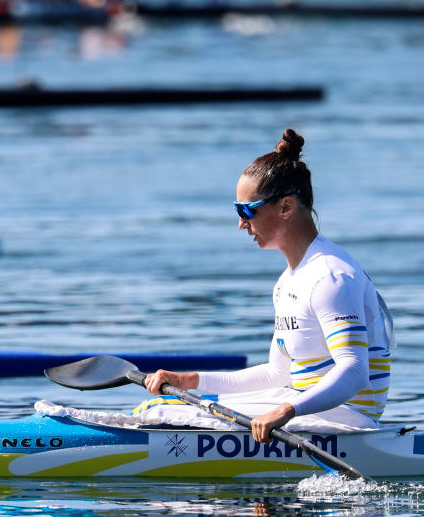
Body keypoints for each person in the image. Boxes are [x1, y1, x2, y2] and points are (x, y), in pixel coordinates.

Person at [141, 128, 393, 441]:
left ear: (286, 207)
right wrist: (192, 380)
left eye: (247, 210)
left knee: (161, 413)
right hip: (307, 408)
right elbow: (277, 374)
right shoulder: (288, 282)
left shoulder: (331, 277)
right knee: (162, 404)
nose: (240, 223)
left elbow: (355, 372)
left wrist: (287, 410)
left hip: (347, 418)